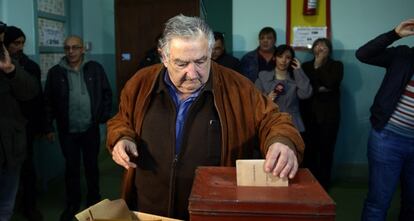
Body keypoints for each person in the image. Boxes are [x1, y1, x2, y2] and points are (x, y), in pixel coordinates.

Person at [106, 14, 304, 220]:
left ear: (210, 52)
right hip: (148, 208)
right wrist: (122, 137)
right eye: (181, 64)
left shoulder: (238, 87)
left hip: (211, 209)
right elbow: (122, 120)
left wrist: (282, 141)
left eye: (201, 61)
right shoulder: (140, 83)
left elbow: (273, 120)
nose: (193, 74)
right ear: (163, 57)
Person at [44, 35, 113, 221]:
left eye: (75, 47)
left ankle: (94, 201)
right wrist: (49, 127)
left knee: (92, 167)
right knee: (71, 168)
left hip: (90, 128)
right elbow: (48, 102)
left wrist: (103, 116)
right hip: (68, 131)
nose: (71, 51)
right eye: (67, 48)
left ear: (83, 49)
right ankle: (72, 203)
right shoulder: (55, 73)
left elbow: (107, 93)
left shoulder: (95, 69)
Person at [356, 18, 414, 221]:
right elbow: (363, 54)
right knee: (378, 203)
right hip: (388, 138)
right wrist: (394, 35)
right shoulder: (403, 55)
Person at [0, 21, 39, 221]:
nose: (19, 47)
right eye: (15, 43)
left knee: (7, 201)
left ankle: (29, 207)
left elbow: (32, 93)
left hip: (15, 138)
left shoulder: (15, 65)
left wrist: (10, 71)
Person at [300, 38, 343, 191]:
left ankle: (324, 185)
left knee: (326, 151)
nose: (320, 48)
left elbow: (331, 83)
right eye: (317, 45)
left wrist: (319, 67)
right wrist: (321, 86)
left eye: (323, 45)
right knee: (309, 151)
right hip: (309, 115)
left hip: (329, 116)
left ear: (329, 49)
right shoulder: (305, 66)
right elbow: (306, 88)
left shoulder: (337, 66)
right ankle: (309, 184)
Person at [255, 44, 312, 133]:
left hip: (292, 124)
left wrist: (299, 71)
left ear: (292, 60)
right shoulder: (263, 76)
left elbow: (305, 94)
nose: (283, 60)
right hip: (270, 123)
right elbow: (255, 100)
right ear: (274, 58)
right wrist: (267, 99)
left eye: (288, 57)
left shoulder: (295, 79)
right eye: (280, 56)